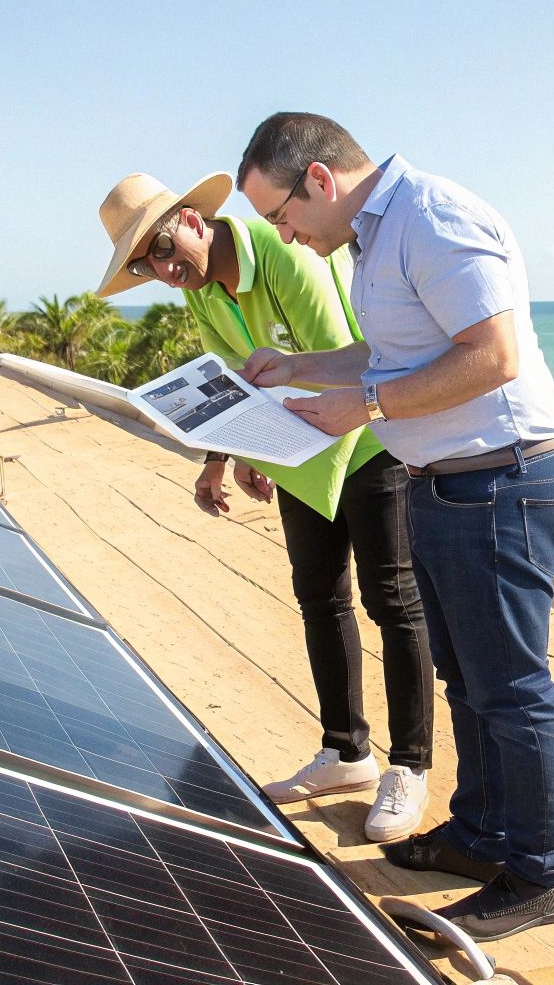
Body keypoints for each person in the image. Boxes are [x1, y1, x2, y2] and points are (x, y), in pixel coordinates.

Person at [235, 114, 554, 941]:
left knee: (511, 688)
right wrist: (298, 367)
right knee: (466, 680)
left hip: (502, 480)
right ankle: (482, 833)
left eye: (280, 216)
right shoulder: (376, 237)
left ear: (318, 181)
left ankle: (540, 872)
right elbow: (394, 354)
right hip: (451, 485)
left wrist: (367, 406)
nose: (282, 235)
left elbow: (491, 355)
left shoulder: (431, 217)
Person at [94, 170, 434, 843]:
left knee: (392, 600)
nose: (164, 271)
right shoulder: (200, 289)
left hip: (365, 438)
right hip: (299, 447)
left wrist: (269, 442)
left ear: (192, 221)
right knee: (319, 596)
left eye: (162, 250)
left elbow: (335, 360)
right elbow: (228, 378)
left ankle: (410, 767)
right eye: (144, 265)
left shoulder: (281, 252)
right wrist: (222, 456)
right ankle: (346, 753)